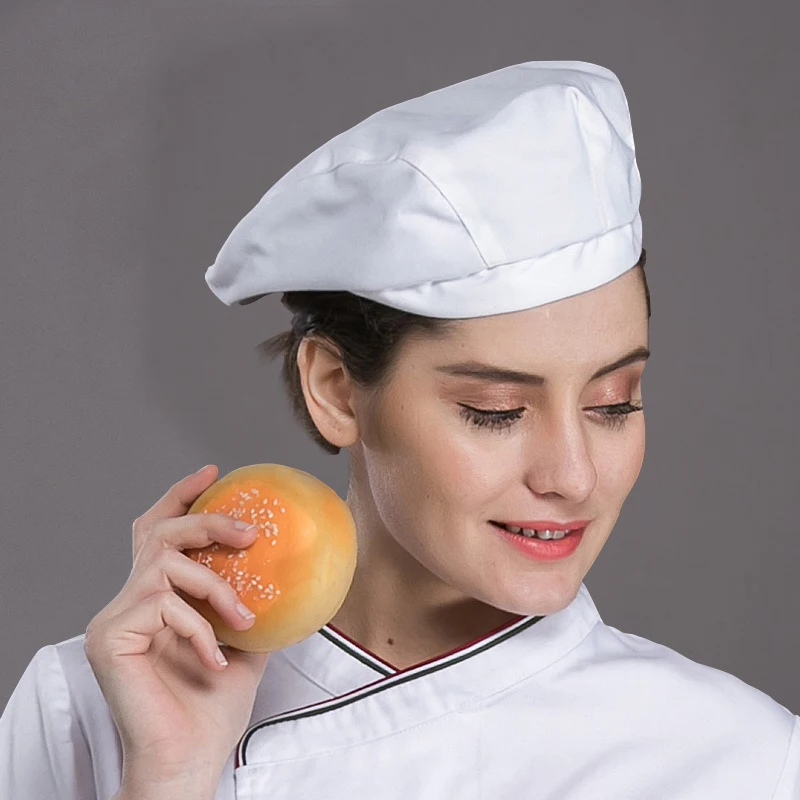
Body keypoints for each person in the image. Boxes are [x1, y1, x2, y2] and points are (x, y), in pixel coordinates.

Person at [1, 60, 798, 800]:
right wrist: (171, 775)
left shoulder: (741, 761)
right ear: (338, 390)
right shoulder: (86, 709)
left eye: (613, 402)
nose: (573, 475)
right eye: (497, 409)